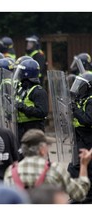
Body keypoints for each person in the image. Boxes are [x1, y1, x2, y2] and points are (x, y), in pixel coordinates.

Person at [4, 129, 92, 203]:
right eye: (47, 145)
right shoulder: (54, 169)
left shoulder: (10, 171)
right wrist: (83, 165)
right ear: (41, 149)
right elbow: (79, 194)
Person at [68, 72, 92, 203]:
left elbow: (88, 120)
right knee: (74, 167)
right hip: (81, 138)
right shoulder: (83, 99)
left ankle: (86, 196)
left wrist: (75, 110)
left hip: (88, 138)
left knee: (84, 167)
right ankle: (78, 194)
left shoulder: (91, 100)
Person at [15, 59, 49, 144]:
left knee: (37, 154)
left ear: (27, 74)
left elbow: (42, 112)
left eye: (20, 71)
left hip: (34, 128)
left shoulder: (38, 91)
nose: (18, 74)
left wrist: (23, 108)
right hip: (21, 128)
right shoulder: (21, 88)